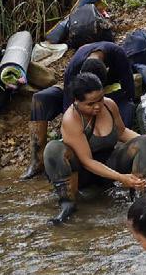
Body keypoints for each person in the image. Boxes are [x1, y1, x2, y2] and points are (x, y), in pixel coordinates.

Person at [42, 74, 146, 225]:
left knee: (145, 141)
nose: (97, 106)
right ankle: (68, 204)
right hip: (84, 174)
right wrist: (121, 178)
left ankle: (141, 201)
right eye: (90, 104)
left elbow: (122, 132)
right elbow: (87, 161)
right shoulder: (71, 119)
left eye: (100, 99)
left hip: (110, 162)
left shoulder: (109, 105)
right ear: (76, 101)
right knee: (53, 148)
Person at [22, 41, 137, 179]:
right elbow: (69, 103)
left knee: (127, 106)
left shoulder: (117, 55)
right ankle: (37, 160)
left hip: (108, 95)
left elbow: (129, 90)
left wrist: (103, 103)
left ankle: (115, 150)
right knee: (40, 99)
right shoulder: (75, 66)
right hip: (81, 98)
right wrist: (73, 129)